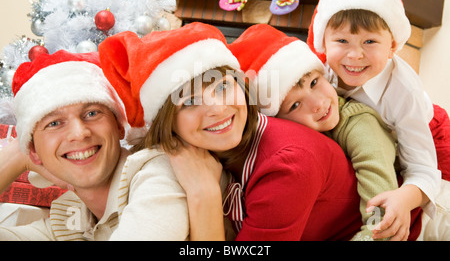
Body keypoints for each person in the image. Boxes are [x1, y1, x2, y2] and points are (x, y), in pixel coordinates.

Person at [98, 21, 363, 241]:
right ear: (168, 123)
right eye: (189, 102)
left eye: (223, 87)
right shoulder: (201, 153)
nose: (217, 109)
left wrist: (205, 194)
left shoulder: (287, 163)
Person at [228, 23, 443, 241]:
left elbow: (380, 218)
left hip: (425, 212)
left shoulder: (359, 124)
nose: (318, 104)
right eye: (295, 105)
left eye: (314, 82)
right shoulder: (289, 136)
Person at [307, 0, 450, 219]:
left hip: (431, 136)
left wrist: (405, 198)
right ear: (324, 43)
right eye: (341, 41)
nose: (354, 55)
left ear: (392, 46)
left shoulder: (404, 92)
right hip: (373, 142)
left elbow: (423, 168)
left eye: (370, 41)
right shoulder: (319, 72)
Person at [0, 50, 189, 240]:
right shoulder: (72, 219)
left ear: (118, 126)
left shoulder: (157, 175)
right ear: (34, 152)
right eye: (54, 123)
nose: (79, 133)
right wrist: (16, 155)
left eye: (92, 113)